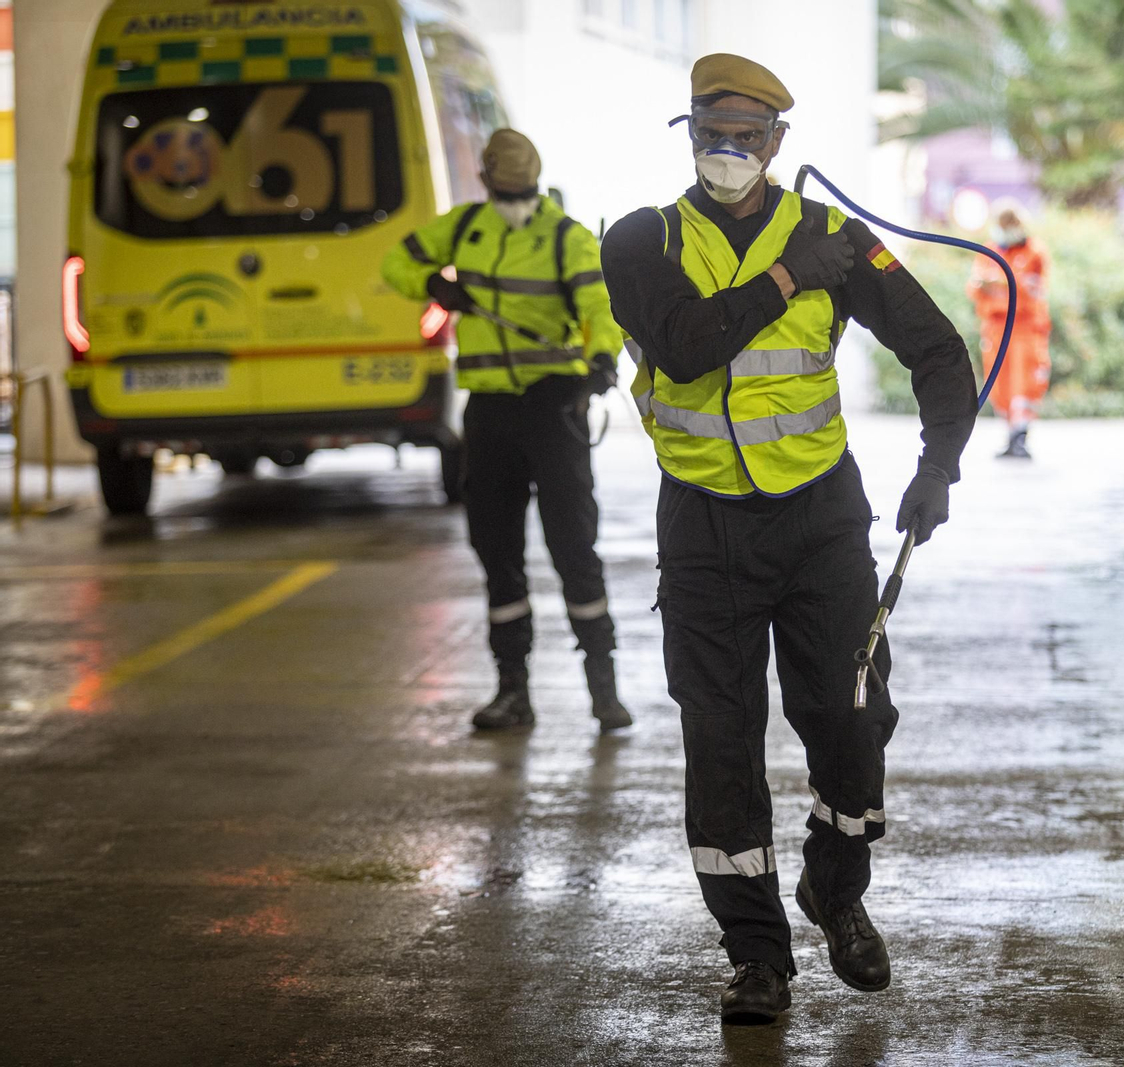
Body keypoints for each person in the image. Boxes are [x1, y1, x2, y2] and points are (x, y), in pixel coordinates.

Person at [600, 54, 977, 1024]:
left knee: (853, 718)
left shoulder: (836, 241)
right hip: (703, 526)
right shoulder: (640, 242)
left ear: (777, 142)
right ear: (688, 134)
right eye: (711, 133)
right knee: (721, 740)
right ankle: (756, 954)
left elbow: (939, 350)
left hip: (819, 522)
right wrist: (781, 278)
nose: (728, 151)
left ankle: (834, 887)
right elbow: (684, 344)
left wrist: (939, 464)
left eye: (748, 135)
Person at [382, 129, 631, 734]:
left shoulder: (565, 238)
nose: (510, 196)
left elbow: (599, 308)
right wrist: (432, 285)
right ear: (488, 182)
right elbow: (396, 262)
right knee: (497, 551)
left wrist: (602, 359)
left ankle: (604, 689)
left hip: (554, 406)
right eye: (504, 187)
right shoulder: (465, 228)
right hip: (490, 413)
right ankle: (512, 690)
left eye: (519, 189)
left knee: (574, 546)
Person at [967, 200, 1051, 459]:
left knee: (1024, 383)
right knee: (1000, 385)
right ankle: (1011, 435)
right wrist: (996, 285)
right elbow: (974, 287)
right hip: (995, 328)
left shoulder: (1034, 252)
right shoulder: (990, 251)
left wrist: (1000, 283)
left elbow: (1032, 290)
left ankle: (1021, 436)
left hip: (1025, 328)